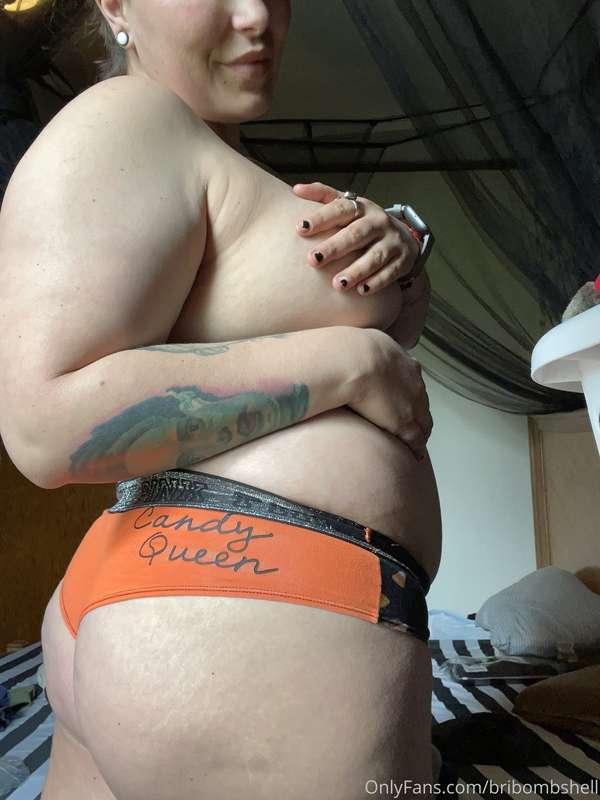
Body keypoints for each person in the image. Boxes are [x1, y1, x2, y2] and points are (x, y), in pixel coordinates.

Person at [0, 1, 442, 798]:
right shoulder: (125, 119)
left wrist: (400, 257)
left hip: (194, 597)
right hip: (236, 604)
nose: (258, 15)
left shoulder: (202, 152)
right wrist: (346, 363)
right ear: (116, 5)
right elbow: (43, 425)